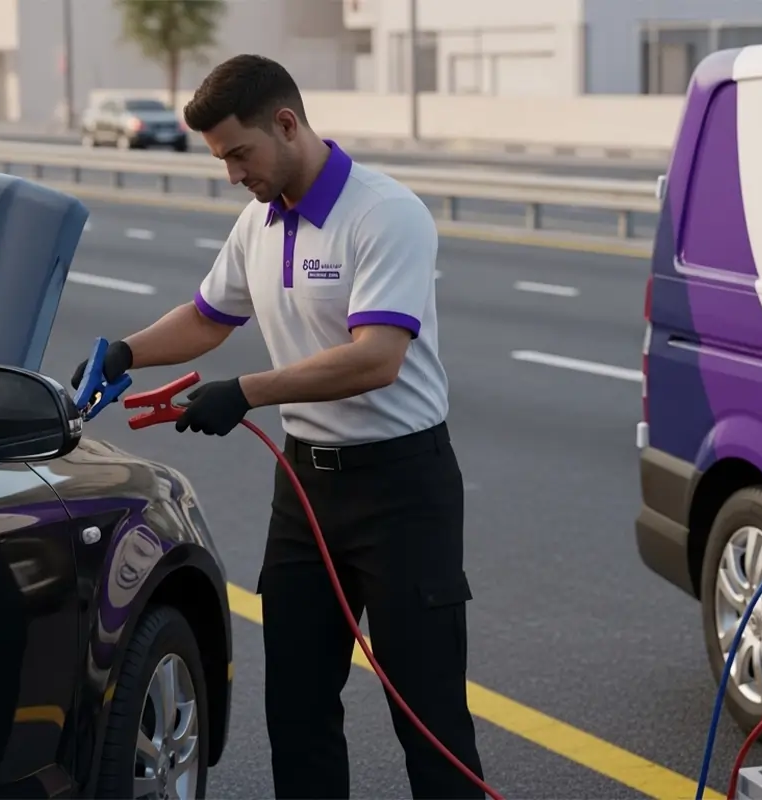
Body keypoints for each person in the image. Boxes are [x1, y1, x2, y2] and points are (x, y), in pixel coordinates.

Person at [71, 54, 486, 799]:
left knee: (425, 714)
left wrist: (248, 391)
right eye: (222, 159)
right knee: (295, 708)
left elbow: (377, 358)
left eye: (240, 153)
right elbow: (207, 317)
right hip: (305, 491)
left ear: (287, 124)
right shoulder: (259, 222)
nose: (233, 173)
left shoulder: (384, 214)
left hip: (402, 491)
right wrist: (127, 349)